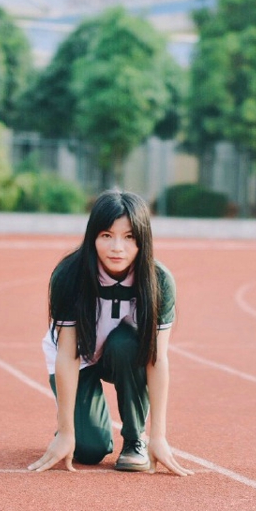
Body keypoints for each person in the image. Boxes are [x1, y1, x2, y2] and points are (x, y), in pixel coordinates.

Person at [28, 190, 193, 476]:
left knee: (127, 343)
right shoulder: (69, 275)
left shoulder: (158, 281)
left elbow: (157, 359)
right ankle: (75, 427)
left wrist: (158, 437)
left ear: (143, 240)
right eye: (107, 235)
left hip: (124, 353)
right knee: (89, 451)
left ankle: (134, 442)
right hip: (80, 357)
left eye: (129, 237)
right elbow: (67, 355)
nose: (117, 247)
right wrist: (67, 432)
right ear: (92, 237)